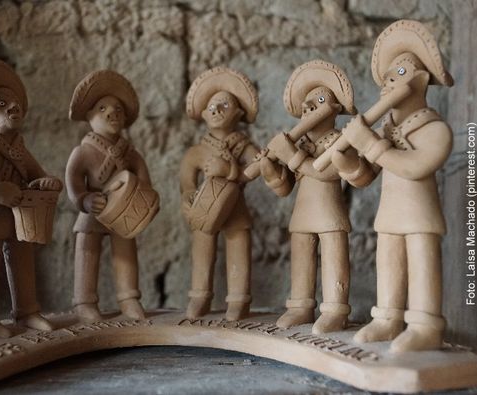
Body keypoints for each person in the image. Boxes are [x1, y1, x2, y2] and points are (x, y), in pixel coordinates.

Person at [334, 20, 453, 352]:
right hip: (389, 216)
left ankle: (425, 324)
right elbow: (366, 174)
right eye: (386, 78)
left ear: (422, 79)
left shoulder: (434, 129)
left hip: (420, 217)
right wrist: (346, 162)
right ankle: (387, 318)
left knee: (421, 263)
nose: (388, 83)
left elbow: (415, 167)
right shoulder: (384, 130)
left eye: (398, 74)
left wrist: (371, 144)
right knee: (388, 263)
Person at [261, 60, 369, 333]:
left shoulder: (339, 141)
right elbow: (285, 187)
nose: (309, 108)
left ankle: (335, 310)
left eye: (319, 101)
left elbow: (327, 172)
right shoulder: (303, 144)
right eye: (306, 105)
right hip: (302, 215)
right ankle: (300, 305)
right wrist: (270, 168)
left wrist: (291, 156)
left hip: (330, 214)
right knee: (301, 257)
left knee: (333, 257)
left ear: (334, 110)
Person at [0, 59, 61, 337]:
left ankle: (26, 312)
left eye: (15, 103)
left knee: (23, 262)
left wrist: (44, 182)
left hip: (20, 220)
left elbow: (35, 174)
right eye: (3, 104)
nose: (13, 107)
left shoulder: (19, 148)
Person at [66, 70, 154, 323]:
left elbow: (144, 180)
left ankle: (128, 298)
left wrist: (143, 197)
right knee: (87, 251)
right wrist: (83, 200)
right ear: (89, 116)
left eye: (118, 109)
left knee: (125, 251)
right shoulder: (82, 152)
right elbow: (73, 182)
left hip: (123, 212)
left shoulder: (130, 153)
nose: (111, 113)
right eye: (102, 107)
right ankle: (84, 302)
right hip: (94, 210)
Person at [180, 67, 260, 321]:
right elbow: (186, 180)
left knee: (238, 247)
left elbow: (257, 168)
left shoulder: (244, 146)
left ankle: (238, 300)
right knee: (202, 251)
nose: (217, 110)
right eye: (213, 106)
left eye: (225, 105)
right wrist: (189, 196)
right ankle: (200, 296)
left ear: (238, 113)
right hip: (206, 209)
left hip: (235, 208)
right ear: (204, 114)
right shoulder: (197, 151)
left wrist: (231, 170)